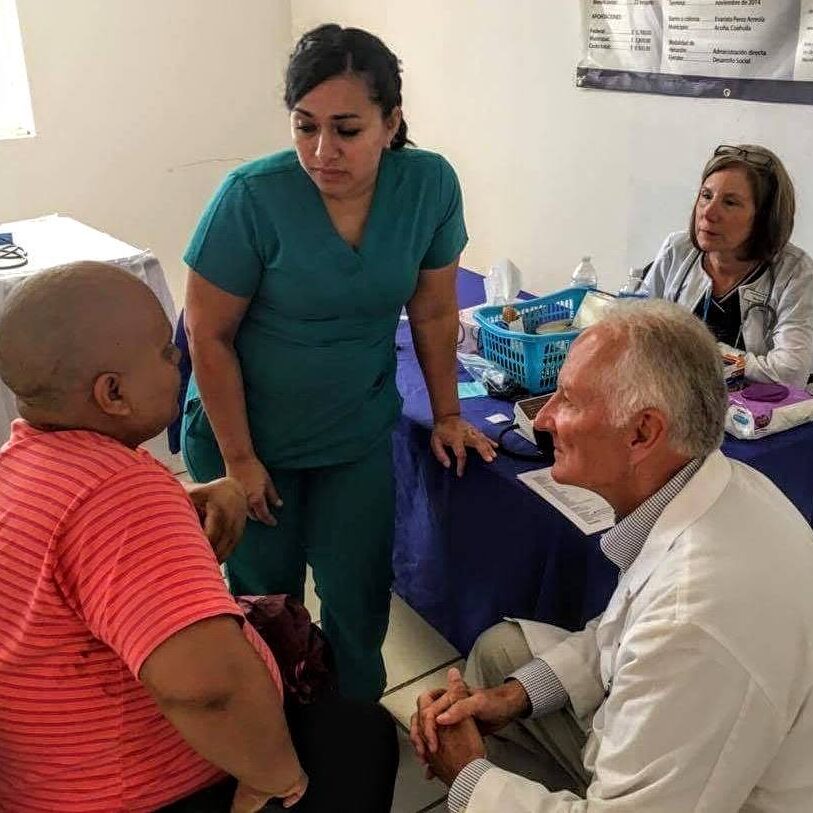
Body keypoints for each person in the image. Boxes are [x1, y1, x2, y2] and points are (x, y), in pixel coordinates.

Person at [0, 262, 397, 813]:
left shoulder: (22, 468)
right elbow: (208, 689)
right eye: (166, 352)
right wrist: (273, 776)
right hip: (132, 793)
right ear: (112, 393)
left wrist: (177, 512)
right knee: (361, 737)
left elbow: (69, 564)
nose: (177, 360)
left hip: (48, 782)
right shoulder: (121, 494)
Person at [180, 23, 496, 702]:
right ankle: (275, 733)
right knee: (268, 604)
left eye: (347, 129)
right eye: (305, 126)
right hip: (248, 432)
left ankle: (351, 728)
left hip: (351, 428)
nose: (322, 151)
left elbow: (435, 312)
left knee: (357, 593)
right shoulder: (252, 198)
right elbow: (207, 335)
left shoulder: (428, 186)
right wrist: (239, 462)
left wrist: (447, 414)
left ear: (391, 123)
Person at [410, 299, 813, 811]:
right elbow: (619, 632)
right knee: (501, 656)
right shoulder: (724, 485)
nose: (545, 416)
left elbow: (665, 634)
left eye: (570, 399)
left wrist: (468, 778)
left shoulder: (695, 621)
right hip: (704, 748)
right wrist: (515, 697)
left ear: (643, 432)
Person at [640, 143, 813, 386]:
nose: (709, 213)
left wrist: (701, 349)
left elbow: (789, 372)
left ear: (764, 218)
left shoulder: (796, 273)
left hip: (755, 418)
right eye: (706, 196)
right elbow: (636, 330)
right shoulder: (677, 249)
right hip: (676, 400)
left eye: (730, 203)